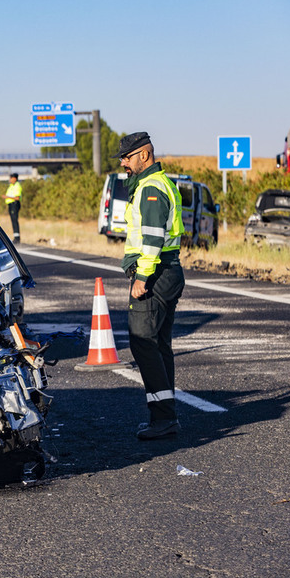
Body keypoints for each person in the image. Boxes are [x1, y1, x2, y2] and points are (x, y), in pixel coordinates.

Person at [114, 131, 186, 440]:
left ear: (144, 155)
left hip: (156, 274)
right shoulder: (157, 183)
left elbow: (153, 237)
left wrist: (141, 277)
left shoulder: (151, 188)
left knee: (143, 342)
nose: (123, 164)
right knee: (159, 345)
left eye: (127, 158)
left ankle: (164, 418)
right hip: (167, 271)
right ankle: (165, 416)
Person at [4, 173, 22, 242]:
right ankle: (15, 236)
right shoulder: (11, 186)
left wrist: (7, 197)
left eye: (11, 178)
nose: (10, 179)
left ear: (14, 178)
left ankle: (17, 238)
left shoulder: (17, 186)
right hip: (11, 205)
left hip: (14, 204)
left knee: (14, 220)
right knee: (13, 220)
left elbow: (17, 198)